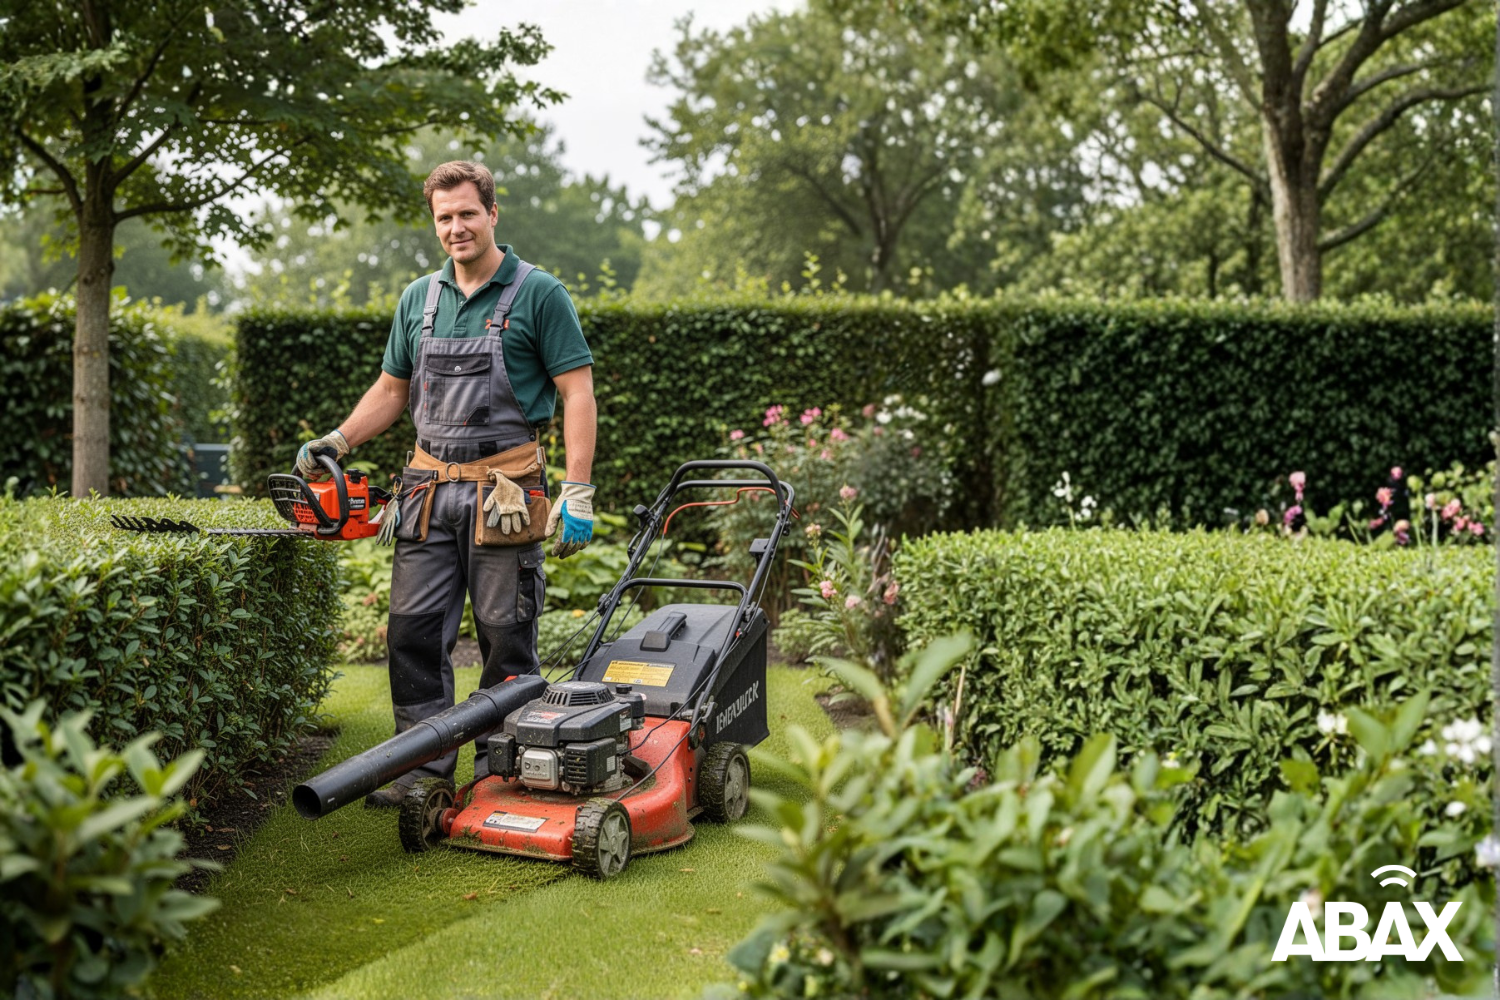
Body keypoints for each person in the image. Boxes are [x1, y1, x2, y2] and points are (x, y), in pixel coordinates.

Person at [294, 160, 598, 807]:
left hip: (505, 492)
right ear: (434, 224)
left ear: (492, 214)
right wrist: (338, 441)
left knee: (505, 635)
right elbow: (390, 389)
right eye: (444, 218)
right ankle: (421, 775)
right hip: (428, 490)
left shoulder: (539, 294)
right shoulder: (418, 300)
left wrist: (579, 488)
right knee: (411, 632)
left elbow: (577, 392)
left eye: (466, 213)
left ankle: (502, 771)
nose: (456, 228)